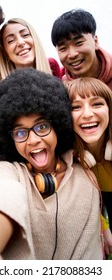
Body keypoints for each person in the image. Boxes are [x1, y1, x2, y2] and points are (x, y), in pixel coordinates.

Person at [0, 67, 102, 260]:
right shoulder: (6, 171)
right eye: (20, 132)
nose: (33, 140)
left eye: (42, 126)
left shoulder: (86, 181)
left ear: (58, 125)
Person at [66, 77, 112, 257]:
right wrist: (104, 229)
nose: (87, 114)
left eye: (97, 104)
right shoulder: (69, 158)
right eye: (75, 107)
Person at [51, 9, 112, 89]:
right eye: (63, 48)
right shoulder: (62, 88)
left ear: (95, 41)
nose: (72, 54)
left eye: (79, 43)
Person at [0, 18, 61, 82]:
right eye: (11, 40)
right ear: (5, 53)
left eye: (25, 35)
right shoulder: (3, 89)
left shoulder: (52, 66)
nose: (20, 42)